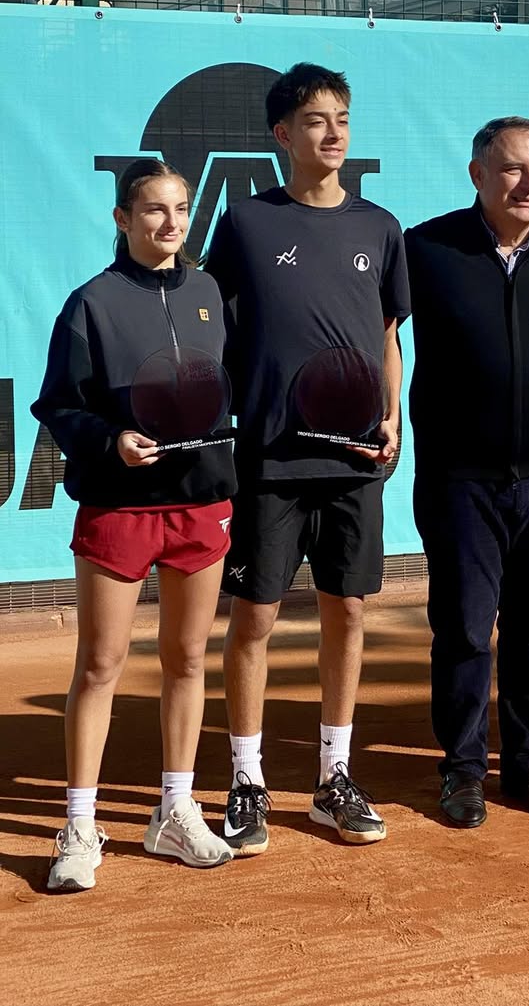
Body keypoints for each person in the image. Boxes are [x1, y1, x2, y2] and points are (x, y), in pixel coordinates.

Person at [204, 63, 410, 853]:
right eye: (317, 119)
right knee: (254, 617)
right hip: (270, 458)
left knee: (348, 611)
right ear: (283, 134)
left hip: (356, 458)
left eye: (344, 118)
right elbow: (209, 326)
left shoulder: (379, 227)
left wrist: (395, 416)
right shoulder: (247, 225)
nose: (334, 132)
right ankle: (247, 779)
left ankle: (333, 776)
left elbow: (389, 338)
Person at [32, 158, 236, 891]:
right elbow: (59, 403)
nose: (170, 223)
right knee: (100, 663)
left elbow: (227, 386)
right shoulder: (91, 302)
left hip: (203, 500)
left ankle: (174, 811)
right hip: (120, 504)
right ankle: (80, 823)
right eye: (153, 210)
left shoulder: (212, 290)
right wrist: (110, 440)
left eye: (180, 209)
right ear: (122, 218)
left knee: (186, 660)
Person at [405, 117, 529, 828]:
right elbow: (376, 337)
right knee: (462, 628)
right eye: (515, 169)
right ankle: (461, 772)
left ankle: (528, 764)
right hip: (461, 479)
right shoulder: (426, 248)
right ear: (478, 176)